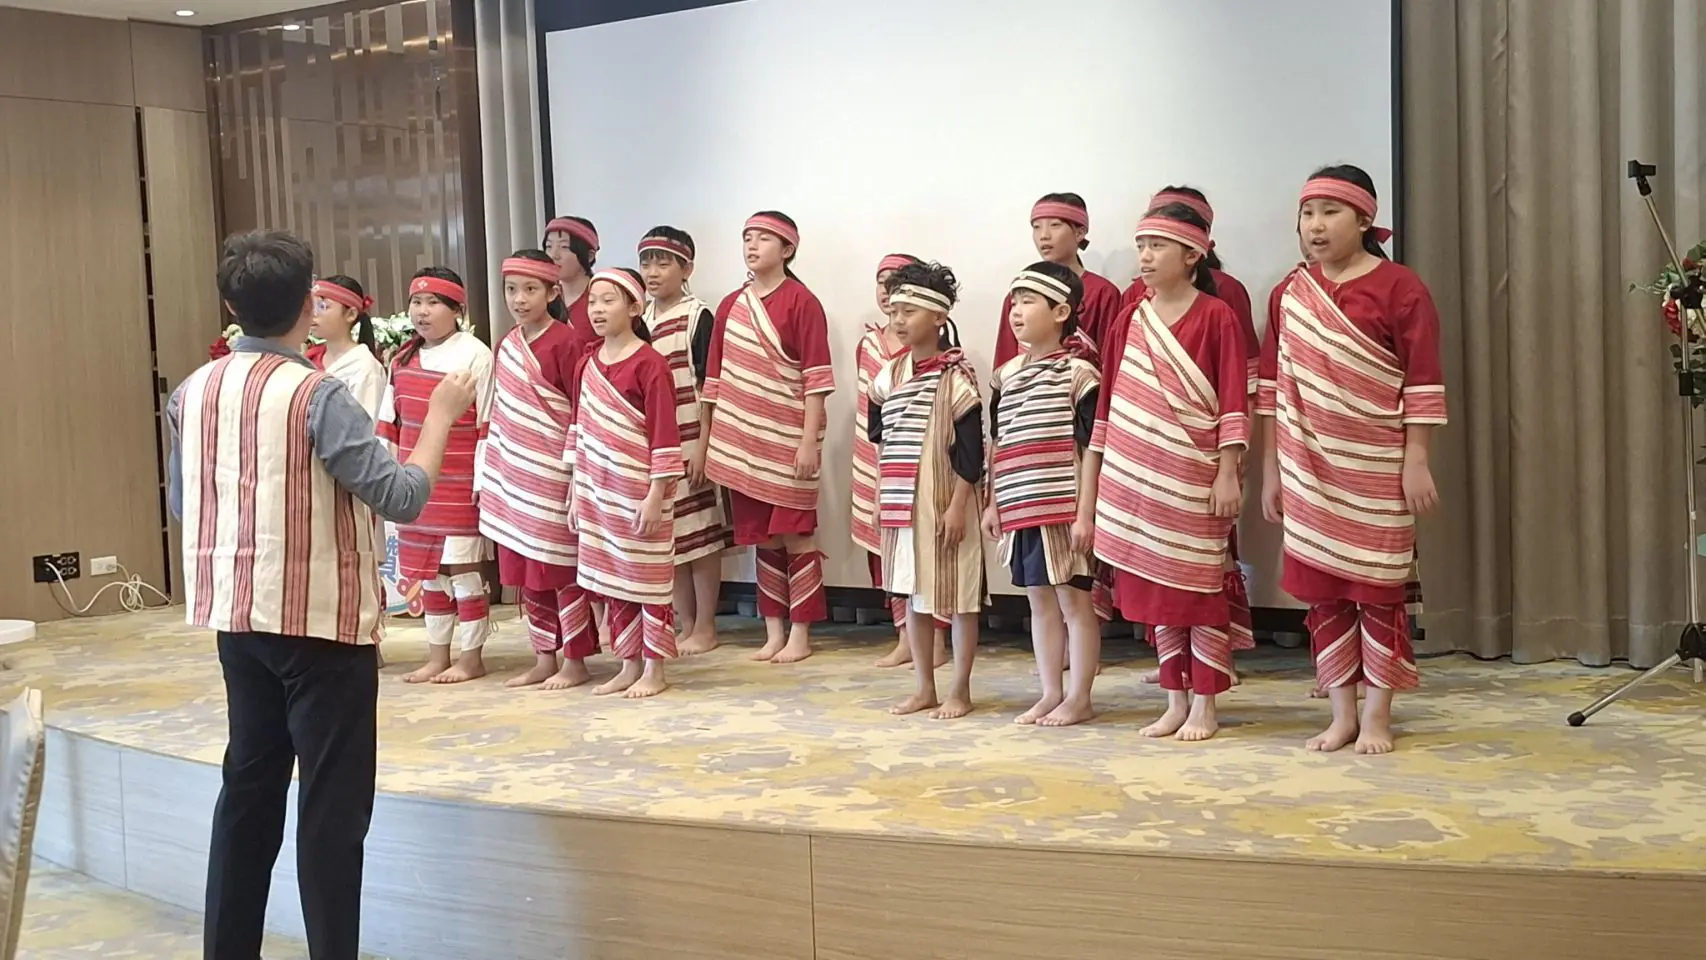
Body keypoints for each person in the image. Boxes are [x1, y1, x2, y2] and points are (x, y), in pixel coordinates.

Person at [168, 230, 475, 960]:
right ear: (309, 306)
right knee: (331, 815)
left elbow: (186, 504)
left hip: (237, 619)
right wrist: (438, 417)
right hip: (321, 627)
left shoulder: (191, 391)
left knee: (247, 794)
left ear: (231, 306)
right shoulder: (317, 394)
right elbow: (401, 496)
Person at [1258, 164, 1446, 754]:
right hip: (1306, 467)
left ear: (1365, 220)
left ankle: (1378, 715)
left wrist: (1416, 458)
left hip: (1377, 467)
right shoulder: (1289, 293)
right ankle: (1341, 714)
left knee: (1378, 592)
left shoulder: (1401, 287)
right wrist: (1272, 471)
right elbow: (1272, 389)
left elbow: (1422, 382)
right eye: (1307, 214)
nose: (1315, 226)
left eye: (1330, 212)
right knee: (1326, 595)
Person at [1091, 204, 1248, 742]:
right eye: (1141, 245)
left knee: (1198, 590)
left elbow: (1233, 399)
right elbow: (1110, 404)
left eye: (1157, 246)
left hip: (1194, 476)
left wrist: (1228, 472)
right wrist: (1104, 481)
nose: (1145, 256)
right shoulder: (1130, 320)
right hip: (1137, 477)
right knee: (1158, 595)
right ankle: (1174, 698)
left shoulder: (1217, 316)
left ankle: (1205, 701)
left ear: (1192, 255)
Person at [701, 211, 834, 664]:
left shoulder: (802, 301)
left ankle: (801, 633)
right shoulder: (730, 305)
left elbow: (817, 379)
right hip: (743, 442)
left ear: (788, 249)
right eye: (747, 238)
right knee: (764, 540)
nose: (752, 246)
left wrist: (808, 441)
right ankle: (773, 631)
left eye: (763, 239)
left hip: (789, 437)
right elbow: (715, 381)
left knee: (797, 537)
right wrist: (709, 442)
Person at [983, 262, 1102, 727]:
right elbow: (999, 442)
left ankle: (1080, 696)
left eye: (1028, 301)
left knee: (1074, 602)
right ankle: (1051, 692)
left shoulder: (1080, 374)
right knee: (1038, 600)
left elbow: (1092, 447)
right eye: (1014, 302)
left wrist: (1085, 513)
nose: (1016, 311)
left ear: (1061, 312)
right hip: (1020, 505)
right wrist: (994, 501)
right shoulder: (1005, 376)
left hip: (1063, 508)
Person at [478, 250, 601, 689]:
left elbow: (580, 411)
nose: (519, 299)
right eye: (511, 289)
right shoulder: (506, 345)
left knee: (560, 571)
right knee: (529, 575)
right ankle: (544, 657)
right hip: (514, 475)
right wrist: (490, 473)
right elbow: (500, 413)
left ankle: (576, 660)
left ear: (552, 292)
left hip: (554, 474)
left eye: (530, 289)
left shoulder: (567, 342)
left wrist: (575, 472)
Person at [869, 261, 986, 719]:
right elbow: (881, 442)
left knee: (960, 597)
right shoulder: (887, 377)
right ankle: (924, 686)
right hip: (901, 502)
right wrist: (880, 497)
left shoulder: (956, 378)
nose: (898, 320)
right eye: (894, 311)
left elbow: (971, 453)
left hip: (946, 503)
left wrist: (958, 505)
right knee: (911, 593)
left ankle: (961, 689)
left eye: (909, 311)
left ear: (939, 317)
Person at [378, 267, 497, 685]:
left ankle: (472, 657)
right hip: (415, 479)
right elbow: (388, 424)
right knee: (428, 574)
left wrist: (482, 483)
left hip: (460, 480)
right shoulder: (402, 358)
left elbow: (487, 425)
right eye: (417, 302)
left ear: (457, 310)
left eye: (433, 303)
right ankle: (437, 655)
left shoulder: (475, 354)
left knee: (464, 572)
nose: (422, 312)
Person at [571, 267, 685, 697]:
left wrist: (656, 494)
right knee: (613, 578)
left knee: (648, 579)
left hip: (639, 490)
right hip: (598, 491)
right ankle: (627, 662)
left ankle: (655, 668)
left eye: (609, 301)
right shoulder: (586, 364)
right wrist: (575, 492)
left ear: (635, 308)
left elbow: (664, 435)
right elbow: (579, 431)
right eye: (593, 301)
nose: (597, 310)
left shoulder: (650, 364)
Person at [640, 226, 732, 656]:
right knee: (670, 535)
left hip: (692, 437)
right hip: (655, 445)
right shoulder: (640, 318)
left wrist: (704, 446)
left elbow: (711, 386)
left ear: (686, 269)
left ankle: (707, 624)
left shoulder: (699, 316)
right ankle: (686, 622)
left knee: (701, 535)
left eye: (663, 263)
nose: (653, 272)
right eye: (646, 263)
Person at [857, 253, 948, 670]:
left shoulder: (946, 364)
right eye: (882, 284)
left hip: (930, 470)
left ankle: (938, 639)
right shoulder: (870, 347)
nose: (886, 293)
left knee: (934, 556)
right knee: (893, 552)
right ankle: (904, 636)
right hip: (884, 460)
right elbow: (873, 418)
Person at [989, 192, 1123, 369]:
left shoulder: (1103, 292)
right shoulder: (1020, 293)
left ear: (1080, 233)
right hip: (1022, 385)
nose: (1044, 235)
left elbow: (1110, 363)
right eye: (1036, 227)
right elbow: (1004, 362)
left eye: (1055, 225)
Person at [308, 275, 386, 421]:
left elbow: (365, 425)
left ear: (350, 314)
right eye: (312, 306)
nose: (313, 313)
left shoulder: (365, 368)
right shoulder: (309, 358)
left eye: (323, 306)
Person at [544, 215, 600, 347]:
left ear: (589, 256)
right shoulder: (545, 297)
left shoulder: (601, 297)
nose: (553, 255)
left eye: (564, 247)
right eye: (548, 246)